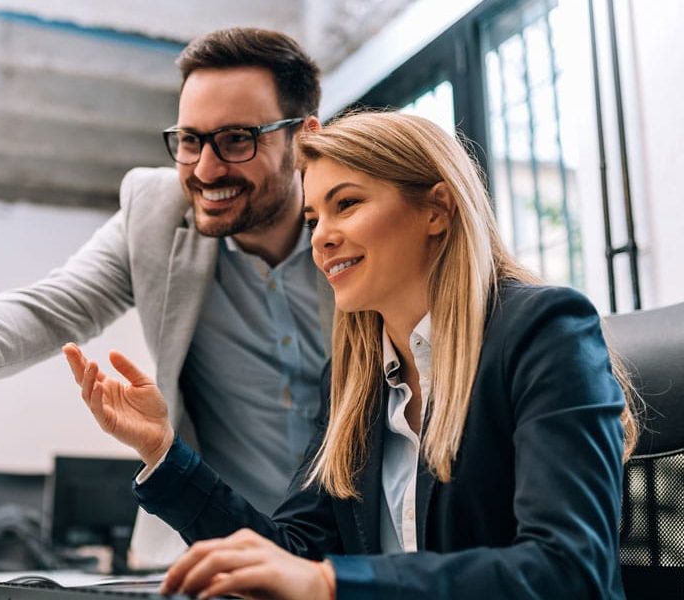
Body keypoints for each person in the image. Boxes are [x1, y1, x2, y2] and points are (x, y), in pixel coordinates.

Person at [62, 110, 638, 599]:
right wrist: (163, 451)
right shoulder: (354, 380)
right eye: (314, 217)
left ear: (436, 210)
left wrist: (332, 584)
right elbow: (291, 554)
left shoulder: (544, 331)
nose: (321, 236)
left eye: (348, 204)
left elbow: (570, 571)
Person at [0, 29, 331, 522]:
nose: (204, 169)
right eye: (190, 140)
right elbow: (57, 304)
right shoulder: (155, 212)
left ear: (305, 137)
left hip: (365, 548)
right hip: (221, 543)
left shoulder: (364, 228)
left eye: (236, 139)